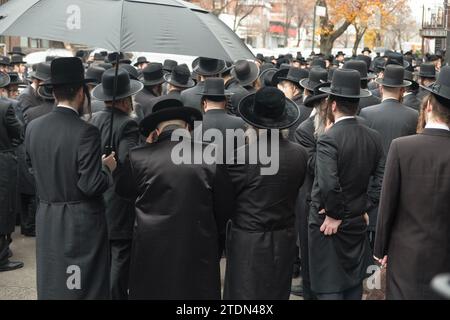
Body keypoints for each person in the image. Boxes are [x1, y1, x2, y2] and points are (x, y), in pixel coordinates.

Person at [117, 98, 233, 300]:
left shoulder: (138, 157)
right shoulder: (211, 153)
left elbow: (123, 192)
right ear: (187, 127)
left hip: (150, 247)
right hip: (198, 244)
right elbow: (225, 206)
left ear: (156, 131)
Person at [25, 57, 117, 299]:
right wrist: (107, 168)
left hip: (47, 216)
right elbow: (90, 184)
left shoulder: (34, 127)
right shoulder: (86, 131)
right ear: (81, 91)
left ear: (53, 91)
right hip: (80, 222)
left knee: (56, 282)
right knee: (81, 285)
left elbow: (31, 167)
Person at [223, 87, 308, 300]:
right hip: (284, 238)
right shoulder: (299, 154)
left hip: (248, 241)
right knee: (276, 292)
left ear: (251, 123)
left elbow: (225, 201)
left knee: (245, 296)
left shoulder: (241, 156)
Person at [374, 66, 450, 300]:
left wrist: (380, 248)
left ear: (428, 107)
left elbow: (388, 203)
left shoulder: (402, 147)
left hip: (406, 252)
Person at [309, 69, 385, 300]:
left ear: (332, 105)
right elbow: (381, 179)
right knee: (352, 284)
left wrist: (335, 214)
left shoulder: (328, 139)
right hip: (355, 220)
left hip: (329, 224)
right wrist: (362, 206)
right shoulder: (373, 136)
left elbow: (329, 184)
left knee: (330, 286)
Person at [90, 68, 143, 299]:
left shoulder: (93, 120)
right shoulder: (128, 125)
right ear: (124, 99)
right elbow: (127, 160)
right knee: (120, 256)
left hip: (97, 194)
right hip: (119, 200)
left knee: (105, 257)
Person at [0, 71, 24, 272]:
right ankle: (1, 257)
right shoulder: (6, 107)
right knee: (4, 206)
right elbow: (19, 132)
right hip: (3, 160)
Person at [197, 77, 246, 165]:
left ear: (204, 103)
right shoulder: (241, 123)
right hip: (232, 176)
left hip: (205, 176)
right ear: (225, 102)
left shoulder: (195, 125)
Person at [274, 67, 310, 139]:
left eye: (284, 87)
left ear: (294, 88)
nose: (281, 93)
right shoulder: (312, 106)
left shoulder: (290, 110)